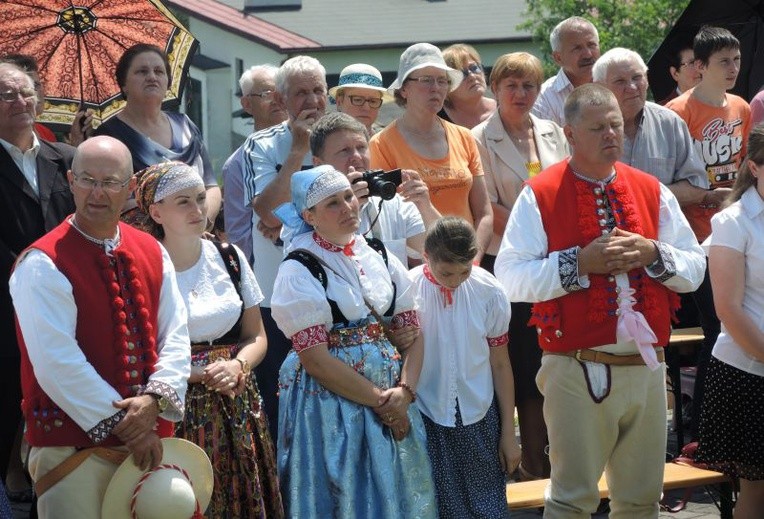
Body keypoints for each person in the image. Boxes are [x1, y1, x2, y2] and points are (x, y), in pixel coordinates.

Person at [495, 84, 705, 517]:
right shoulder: (540, 192)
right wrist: (578, 263)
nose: (611, 134)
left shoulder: (651, 189)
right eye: (597, 128)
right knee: (573, 499)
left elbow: (694, 268)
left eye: (615, 125)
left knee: (642, 499)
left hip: (646, 368)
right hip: (575, 366)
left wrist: (653, 254)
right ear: (570, 134)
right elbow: (511, 278)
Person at [9, 136, 191, 519]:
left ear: (128, 187)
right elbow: (57, 363)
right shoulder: (42, 262)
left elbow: (175, 335)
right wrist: (132, 426)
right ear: (71, 182)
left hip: (149, 444)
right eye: (88, 180)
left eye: (110, 182)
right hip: (72, 449)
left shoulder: (152, 251)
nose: (98, 192)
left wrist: (154, 401)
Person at [270, 165, 436, 517]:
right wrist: (383, 403)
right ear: (309, 216)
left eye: (348, 196)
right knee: (345, 494)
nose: (347, 207)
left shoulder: (376, 252)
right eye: (333, 203)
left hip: (394, 396)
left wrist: (405, 392)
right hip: (333, 406)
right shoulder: (299, 267)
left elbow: (413, 332)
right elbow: (315, 360)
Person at [135, 161, 283, 518]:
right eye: (183, 201)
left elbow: (256, 335)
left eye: (201, 198)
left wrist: (237, 364)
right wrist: (199, 374)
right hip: (176, 402)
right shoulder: (145, 267)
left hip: (235, 399)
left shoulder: (230, 258)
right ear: (156, 212)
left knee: (241, 494)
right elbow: (141, 351)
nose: (198, 209)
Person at [472, 51, 569, 480]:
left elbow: (566, 185)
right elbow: (487, 203)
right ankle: (527, 468)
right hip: (506, 263)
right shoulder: (478, 137)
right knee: (523, 367)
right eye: (511, 85)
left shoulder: (552, 131)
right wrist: (538, 232)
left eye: (529, 85)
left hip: (554, 263)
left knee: (556, 363)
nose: (521, 93)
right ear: (495, 90)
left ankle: (557, 465)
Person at [666, 26, 752, 440]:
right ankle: (705, 434)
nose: (733, 68)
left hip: (738, 236)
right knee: (719, 331)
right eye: (724, 61)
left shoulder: (740, 107)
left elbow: (746, 171)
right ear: (698, 67)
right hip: (694, 239)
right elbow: (663, 186)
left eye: (736, 59)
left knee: (732, 329)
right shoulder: (676, 113)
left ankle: (725, 427)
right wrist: (708, 197)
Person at [0, 61, 76, 506]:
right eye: (7, 95)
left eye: (26, 92)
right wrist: (31, 276)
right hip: (8, 299)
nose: (19, 102)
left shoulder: (65, 158)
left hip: (70, 297)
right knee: (13, 392)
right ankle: (13, 470)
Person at [240, 55, 328, 440]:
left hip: (334, 292)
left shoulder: (343, 136)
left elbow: (281, 215)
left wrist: (290, 220)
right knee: (281, 407)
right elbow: (266, 211)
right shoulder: (259, 145)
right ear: (281, 98)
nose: (311, 101)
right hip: (279, 298)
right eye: (301, 93)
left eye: (318, 91)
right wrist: (298, 151)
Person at [412, 216, 520, 517]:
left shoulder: (489, 291)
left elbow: (500, 363)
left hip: (478, 412)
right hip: (427, 412)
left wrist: (509, 434)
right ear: (426, 257)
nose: (455, 281)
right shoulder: (408, 290)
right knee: (440, 505)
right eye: (446, 272)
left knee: (487, 505)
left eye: (464, 270)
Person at [695, 124, 764, 519]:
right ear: (754, 168)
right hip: (748, 374)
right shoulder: (733, 222)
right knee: (756, 495)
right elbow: (729, 311)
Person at [369, 43, 493, 264]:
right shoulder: (381, 145)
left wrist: (472, 260)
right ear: (404, 89)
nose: (436, 87)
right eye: (426, 80)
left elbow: (484, 213)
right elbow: (386, 222)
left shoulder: (464, 137)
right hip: (416, 270)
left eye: (442, 80)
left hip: (466, 265)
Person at [94, 43, 221, 224]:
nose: (152, 77)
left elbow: (211, 187)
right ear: (123, 84)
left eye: (159, 71)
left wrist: (202, 223)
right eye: (142, 71)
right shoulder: (109, 136)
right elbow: (107, 199)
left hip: (194, 238)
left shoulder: (186, 125)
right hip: (141, 242)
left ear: (168, 82)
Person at [309, 112, 440, 265]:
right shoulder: (311, 213)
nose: (357, 156)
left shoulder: (396, 203)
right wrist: (348, 207)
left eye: (361, 147)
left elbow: (445, 252)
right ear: (318, 164)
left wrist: (425, 207)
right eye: (345, 151)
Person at [223, 64, 288, 264]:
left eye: (282, 92)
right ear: (246, 104)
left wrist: (284, 229)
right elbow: (240, 237)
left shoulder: (309, 146)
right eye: (267, 93)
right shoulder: (237, 164)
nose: (277, 99)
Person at [532, 16, 601, 125]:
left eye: (592, 45)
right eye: (577, 48)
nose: (588, 54)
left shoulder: (617, 84)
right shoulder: (544, 99)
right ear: (558, 58)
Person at [439, 44, 496, 129]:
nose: (472, 76)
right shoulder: (436, 119)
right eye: (461, 74)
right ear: (447, 85)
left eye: (474, 68)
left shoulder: (503, 109)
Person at [329, 63, 392, 135]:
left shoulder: (388, 142)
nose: (366, 108)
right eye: (358, 100)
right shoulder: (322, 141)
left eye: (373, 101)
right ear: (339, 102)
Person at [658, 40, 701, 106]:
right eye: (692, 63)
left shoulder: (718, 98)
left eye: (702, 61)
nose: (700, 68)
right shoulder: (663, 111)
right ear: (675, 73)